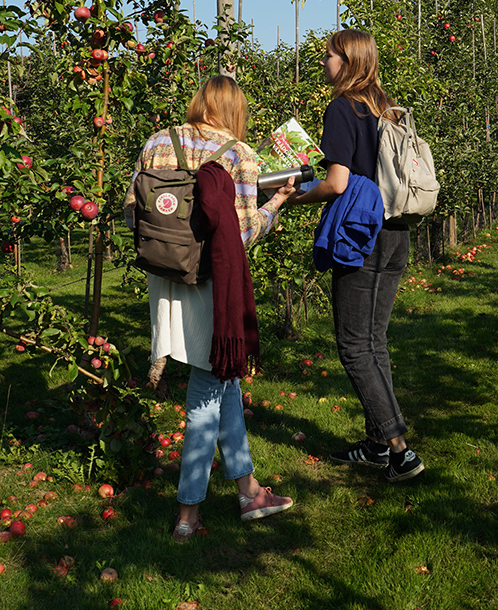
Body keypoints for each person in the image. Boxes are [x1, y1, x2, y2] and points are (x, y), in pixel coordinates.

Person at [124, 76, 296, 542]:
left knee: (224, 380)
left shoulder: (158, 141)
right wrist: (275, 204)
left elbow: (130, 214)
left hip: (164, 280)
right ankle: (187, 517)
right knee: (205, 394)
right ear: (235, 110)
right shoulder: (239, 154)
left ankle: (249, 491)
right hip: (211, 288)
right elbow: (239, 234)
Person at [286, 29, 425, 483]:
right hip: (396, 232)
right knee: (374, 340)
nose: (323, 62)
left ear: (347, 61)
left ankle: (399, 449)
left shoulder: (343, 107)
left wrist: (296, 196)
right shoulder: (388, 107)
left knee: (352, 344)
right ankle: (375, 447)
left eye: (328, 56)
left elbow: (338, 182)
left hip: (360, 234)